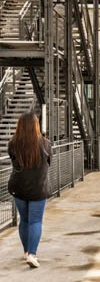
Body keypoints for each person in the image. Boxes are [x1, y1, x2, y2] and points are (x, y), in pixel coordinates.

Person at [7, 113, 52, 268]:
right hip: (38, 189)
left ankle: (26, 252)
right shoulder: (45, 144)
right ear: (36, 126)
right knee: (36, 221)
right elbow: (49, 163)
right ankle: (32, 254)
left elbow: (13, 161)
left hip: (18, 188)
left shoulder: (13, 144)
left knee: (24, 220)